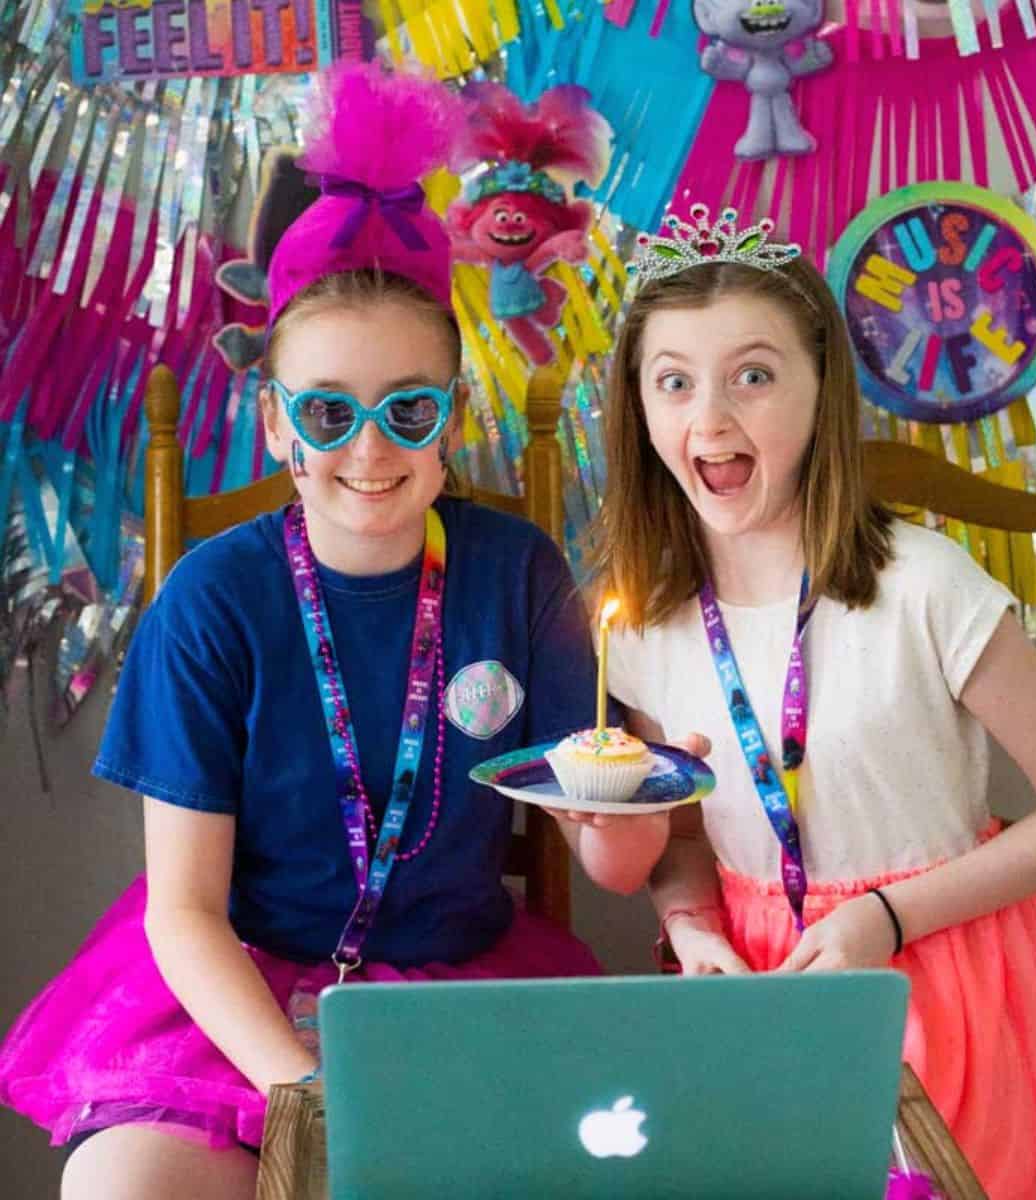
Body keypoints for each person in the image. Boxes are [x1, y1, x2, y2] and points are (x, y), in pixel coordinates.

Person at [0, 62, 668, 1200]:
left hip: (459, 988)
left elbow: (612, 867)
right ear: (274, 422)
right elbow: (184, 909)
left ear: (451, 416)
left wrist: (627, 794)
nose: (370, 452)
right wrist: (304, 1088)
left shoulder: (520, 576)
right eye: (328, 412)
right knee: (118, 1189)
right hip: (234, 998)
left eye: (408, 408)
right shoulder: (213, 602)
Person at [596, 204, 1036, 1200]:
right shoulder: (642, 627)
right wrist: (692, 927)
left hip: (944, 984)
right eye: (674, 382)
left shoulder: (924, 588)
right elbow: (678, 843)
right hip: (754, 1001)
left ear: (820, 391)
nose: (710, 419)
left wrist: (889, 917)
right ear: (637, 407)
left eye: (753, 376)